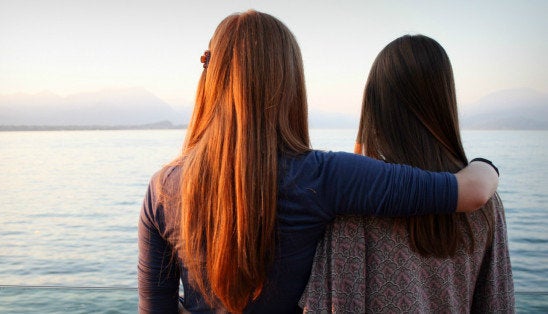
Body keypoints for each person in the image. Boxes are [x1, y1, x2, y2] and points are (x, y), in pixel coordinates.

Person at [138, 11, 500, 313]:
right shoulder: (326, 176)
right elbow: (472, 191)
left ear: (210, 78)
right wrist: (486, 165)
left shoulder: (162, 190)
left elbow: (155, 307)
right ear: (290, 84)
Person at [299, 35, 515, 312]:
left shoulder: (355, 204)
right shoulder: (484, 204)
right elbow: (498, 304)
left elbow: (334, 305)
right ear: (445, 103)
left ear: (376, 106)